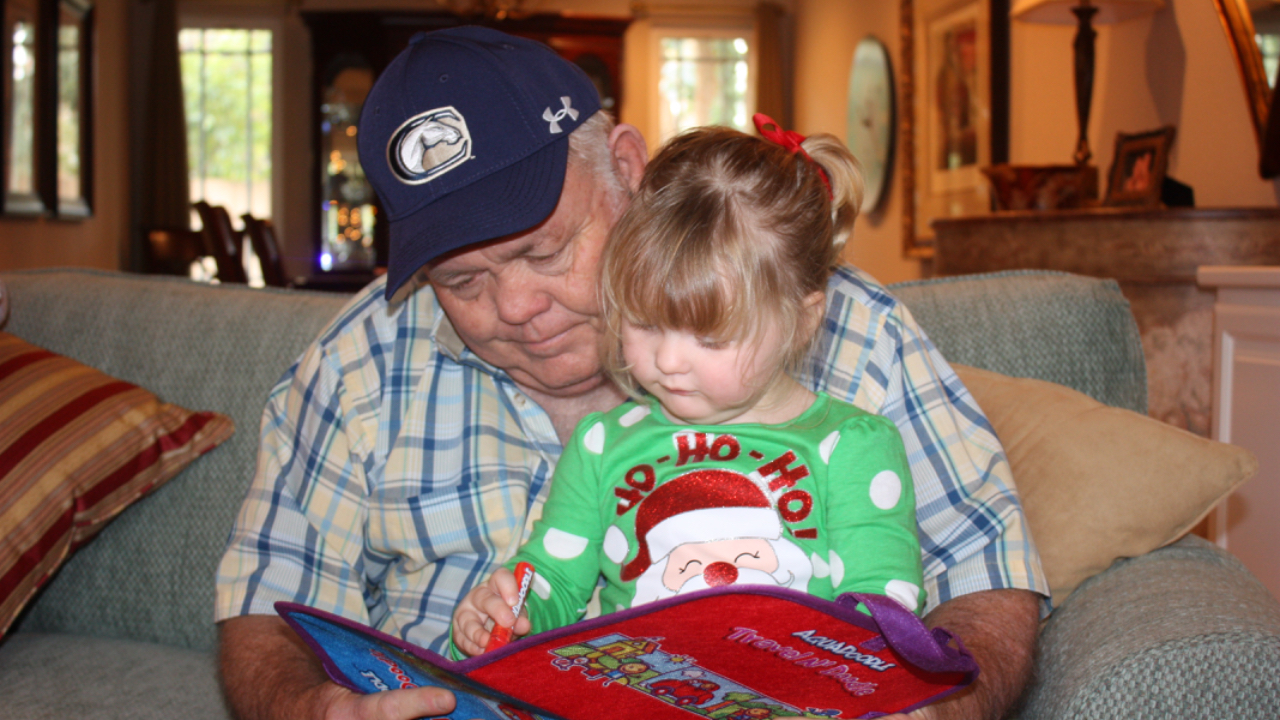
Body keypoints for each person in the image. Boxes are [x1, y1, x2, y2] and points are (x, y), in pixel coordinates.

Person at [215, 26, 1047, 720]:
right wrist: (314, 710)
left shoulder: (836, 321)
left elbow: (991, 568)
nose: (513, 305)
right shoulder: (358, 364)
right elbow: (264, 606)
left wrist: (938, 710)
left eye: (544, 250)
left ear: (627, 166)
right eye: (459, 281)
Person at [452, 120, 925, 658]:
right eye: (645, 323)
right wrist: (506, 611)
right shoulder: (600, 445)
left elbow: (881, 603)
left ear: (802, 320)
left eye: (710, 335)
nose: (669, 361)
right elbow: (554, 581)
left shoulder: (853, 446)